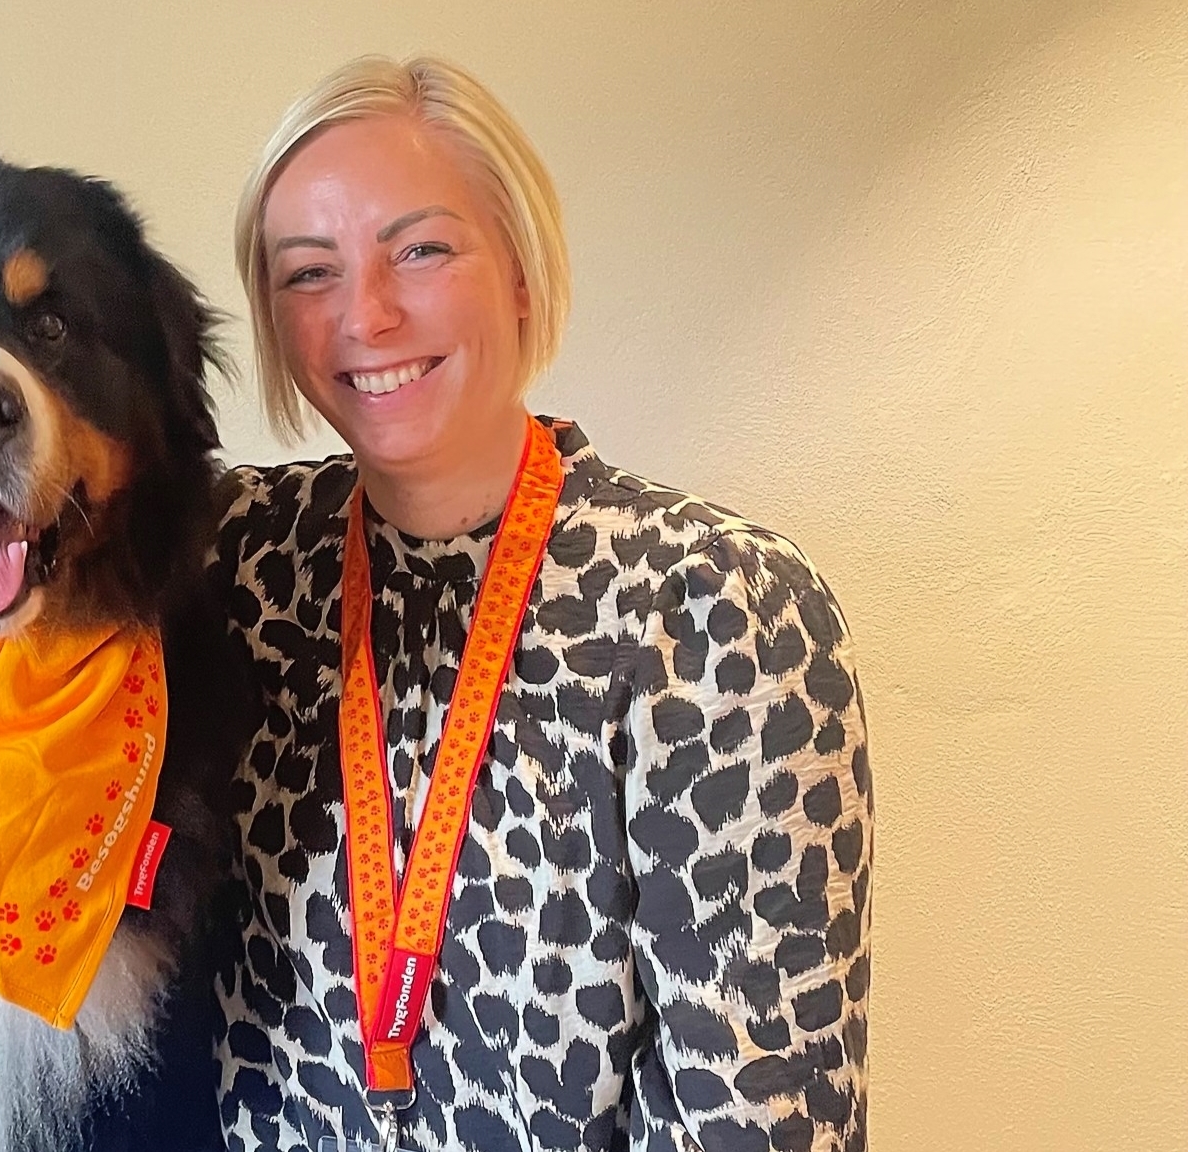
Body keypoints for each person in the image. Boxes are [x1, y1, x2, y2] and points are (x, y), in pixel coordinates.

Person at [209, 55, 871, 1152]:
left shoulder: (712, 612)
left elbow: (760, 1119)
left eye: (419, 249)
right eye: (307, 273)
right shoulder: (238, 564)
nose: (364, 316)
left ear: (520, 268)